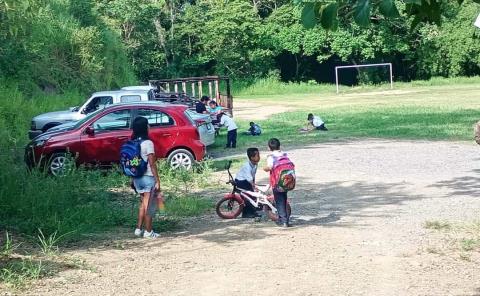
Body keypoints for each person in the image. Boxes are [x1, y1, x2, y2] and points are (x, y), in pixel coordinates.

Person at [131, 116, 161, 238]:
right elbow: (152, 164)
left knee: (143, 204)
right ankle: (148, 232)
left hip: (137, 178)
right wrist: (158, 180)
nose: (149, 126)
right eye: (147, 124)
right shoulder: (148, 143)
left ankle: (138, 229)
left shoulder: (133, 142)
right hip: (148, 177)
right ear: (144, 127)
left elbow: (133, 163)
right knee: (149, 206)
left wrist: (131, 179)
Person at [264, 138, 290, 227]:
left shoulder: (271, 157)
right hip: (286, 181)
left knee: (279, 202)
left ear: (269, 148)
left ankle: (283, 221)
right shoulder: (284, 154)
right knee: (284, 199)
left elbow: (269, 167)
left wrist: (265, 168)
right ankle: (286, 219)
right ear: (279, 146)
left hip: (277, 182)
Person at [235, 148, 261, 218]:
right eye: (257, 155)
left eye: (259, 155)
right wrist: (254, 186)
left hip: (247, 181)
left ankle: (253, 211)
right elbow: (249, 178)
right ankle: (246, 213)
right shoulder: (247, 166)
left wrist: (253, 184)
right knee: (247, 197)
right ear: (252, 158)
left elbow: (253, 176)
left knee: (252, 195)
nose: (259, 157)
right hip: (241, 181)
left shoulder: (255, 163)